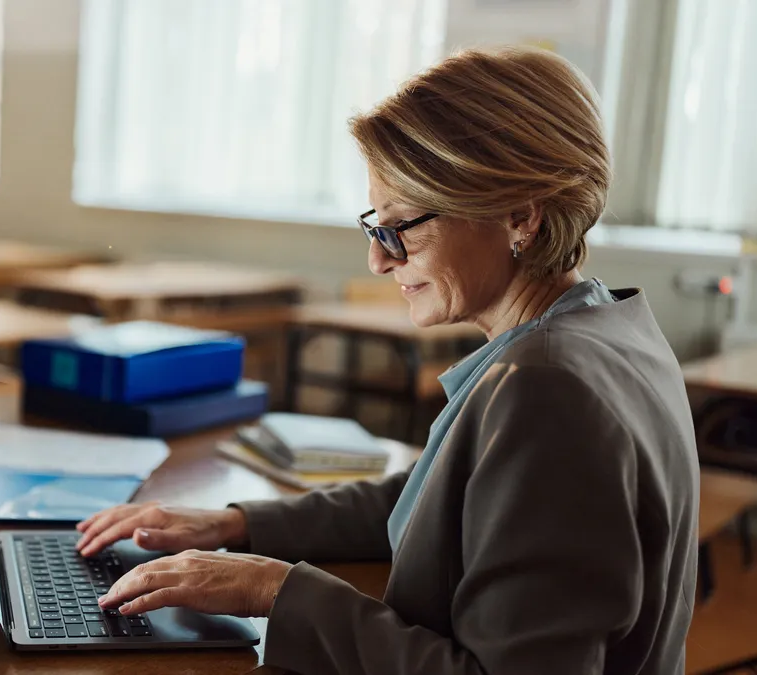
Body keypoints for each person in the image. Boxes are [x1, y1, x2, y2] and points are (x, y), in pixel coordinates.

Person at [75, 46, 699, 674]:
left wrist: (276, 591)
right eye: (376, 225)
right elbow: (438, 499)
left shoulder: (545, 386)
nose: (379, 259)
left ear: (519, 215)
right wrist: (235, 526)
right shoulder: (609, 326)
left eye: (403, 226)